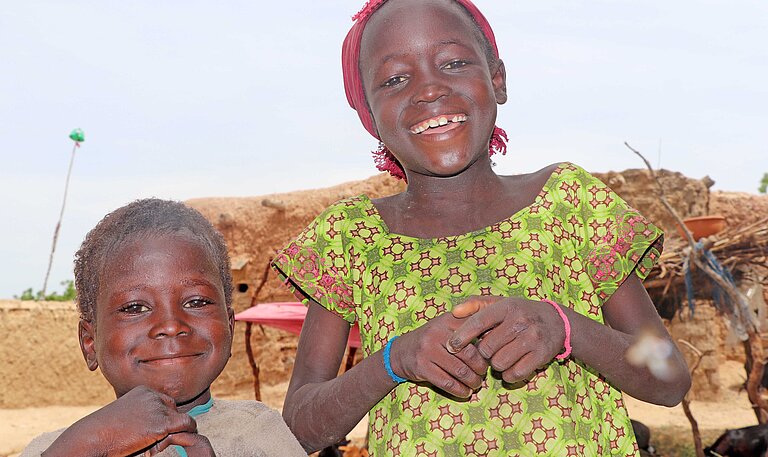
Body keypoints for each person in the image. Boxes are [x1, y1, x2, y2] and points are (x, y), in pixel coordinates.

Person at [272, 0, 691, 455]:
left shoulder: (569, 201)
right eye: (394, 79)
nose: (429, 89)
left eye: (453, 63)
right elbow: (299, 428)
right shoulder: (348, 236)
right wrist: (395, 361)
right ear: (368, 115)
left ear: (497, 79)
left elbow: (668, 379)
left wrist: (567, 329)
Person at [21, 199, 306, 457]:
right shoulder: (57, 448)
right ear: (90, 343)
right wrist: (88, 444)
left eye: (197, 302)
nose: (171, 326)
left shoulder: (261, 434)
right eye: (134, 308)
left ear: (230, 327)